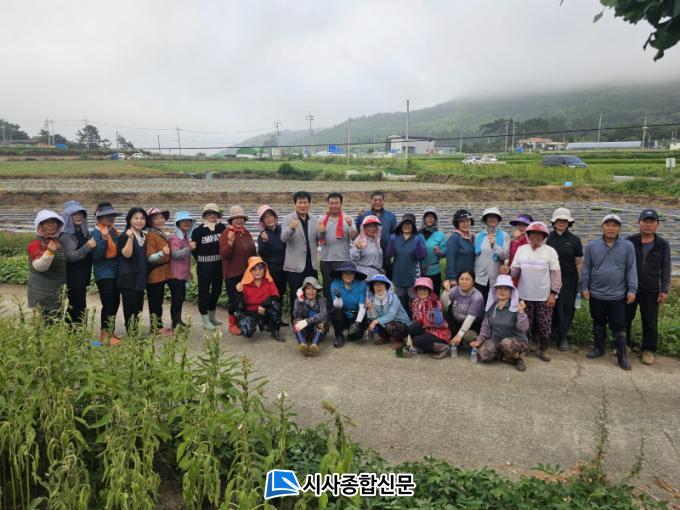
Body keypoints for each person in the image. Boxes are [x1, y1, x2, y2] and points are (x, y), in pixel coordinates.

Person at [581, 214, 637, 370]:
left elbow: (631, 269)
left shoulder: (627, 246)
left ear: (619, 228)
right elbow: (586, 269)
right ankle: (599, 348)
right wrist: (584, 287)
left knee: (619, 325)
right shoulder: (592, 246)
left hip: (618, 295)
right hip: (596, 293)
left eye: (615, 225)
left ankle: (622, 355)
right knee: (598, 321)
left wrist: (632, 289)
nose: (611, 228)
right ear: (602, 227)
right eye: (608, 225)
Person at [625, 209, 672, 365]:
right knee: (625, 317)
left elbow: (666, 268)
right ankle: (624, 345)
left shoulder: (662, 245)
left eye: (652, 222)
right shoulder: (630, 241)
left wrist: (664, 289)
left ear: (657, 224)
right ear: (639, 223)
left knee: (650, 321)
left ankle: (648, 350)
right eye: (645, 221)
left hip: (651, 289)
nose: (648, 225)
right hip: (630, 287)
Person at [511, 222, 561, 362]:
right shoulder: (521, 249)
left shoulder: (550, 251)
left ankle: (543, 349)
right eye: (533, 233)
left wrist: (553, 294)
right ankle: (525, 347)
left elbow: (556, 274)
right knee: (525, 324)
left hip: (543, 296)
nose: (536, 236)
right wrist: (508, 271)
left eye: (540, 234)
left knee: (544, 325)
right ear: (528, 235)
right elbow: (516, 270)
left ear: (544, 236)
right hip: (524, 295)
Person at [471, 275, 529, 372]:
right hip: (497, 341)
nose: (502, 291)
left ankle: (517, 358)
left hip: (516, 342)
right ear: (495, 290)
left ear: (510, 292)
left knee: (506, 343)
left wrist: (521, 313)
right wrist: (479, 340)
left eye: (506, 289)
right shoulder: (491, 306)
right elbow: (485, 327)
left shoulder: (516, 306)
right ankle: (504, 356)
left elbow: (523, 328)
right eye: (499, 288)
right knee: (483, 354)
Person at [546, 208, 583, 351]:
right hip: (549, 277)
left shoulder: (575, 240)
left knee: (566, 308)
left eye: (564, 221)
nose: (561, 223)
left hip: (568, 279)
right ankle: (548, 334)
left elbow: (578, 262)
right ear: (554, 222)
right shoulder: (547, 238)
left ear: (569, 223)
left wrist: (579, 281)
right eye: (559, 220)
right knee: (550, 306)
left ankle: (563, 337)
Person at [282, 191, 320, 319]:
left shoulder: (314, 219)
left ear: (309, 204)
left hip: (311, 265)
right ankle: (297, 322)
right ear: (295, 204)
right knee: (296, 294)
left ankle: (310, 321)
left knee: (312, 294)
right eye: (300, 202)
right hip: (295, 266)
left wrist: (322, 232)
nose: (302, 205)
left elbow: (318, 238)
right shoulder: (288, 219)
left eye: (305, 202)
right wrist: (291, 229)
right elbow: (283, 238)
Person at [220, 205, 257, 335]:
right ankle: (232, 323)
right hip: (232, 274)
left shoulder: (246, 233)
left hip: (246, 273)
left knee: (245, 299)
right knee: (234, 299)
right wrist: (230, 243)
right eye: (236, 218)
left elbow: (252, 251)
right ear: (231, 220)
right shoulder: (227, 233)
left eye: (241, 218)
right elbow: (224, 254)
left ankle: (243, 321)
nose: (239, 220)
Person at [91, 202, 122, 344]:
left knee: (115, 302)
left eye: (112, 215)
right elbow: (96, 256)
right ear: (99, 218)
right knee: (109, 303)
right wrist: (104, 240)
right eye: (106, 216)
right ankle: (105, 336)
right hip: (104, 274)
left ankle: (110, 333)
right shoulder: (96, 233)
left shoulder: (113, 231)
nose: (110, 218)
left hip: (115, 273)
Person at [191, 203, 226, 331]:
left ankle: (212, 316)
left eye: (214, 213)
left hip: (219, 266)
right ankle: (205, 319)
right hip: (204, 267)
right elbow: (194, 250)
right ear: (205, 215)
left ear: (218, 215)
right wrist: (203, 261)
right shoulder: (198, 231)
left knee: (216, 291)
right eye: (209, 213)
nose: (212, 216)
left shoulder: (222, 228)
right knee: (204, 292)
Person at [27, 210, 66, 321]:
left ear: (58, 225)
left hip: (56, 290)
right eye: (46, 222)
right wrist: (49, 252)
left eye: (53, 222)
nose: (51, 225)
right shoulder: (36, 243)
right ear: (41, 225)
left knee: (56, 320)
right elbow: (39, 266)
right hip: (42, 291)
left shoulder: (58, 240)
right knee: (47, 321)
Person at [61, 200, 96, 324]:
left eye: (80, 214)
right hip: (73, 276)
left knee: (78, 304)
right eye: (74, 214)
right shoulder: (66, 235)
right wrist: (87, 247)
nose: (78, 216)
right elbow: (70, 256)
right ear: (68, 217)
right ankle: (75, 331)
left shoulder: (82, 232)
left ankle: (74, 331)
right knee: (77, 305)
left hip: (82, 275)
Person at [235, 256, 285, 342]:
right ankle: (253, 322)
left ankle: (274, 331)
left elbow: (276, 296)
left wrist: (263, 305)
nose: (258, 272)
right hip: (250, 311)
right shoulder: (244, 284)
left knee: (276, 305)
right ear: (250, 271)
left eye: (260, 268)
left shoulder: (269, 280)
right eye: (254, 269)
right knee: (247, 332)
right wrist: (239, 293)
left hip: (264, 309)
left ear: (264, 269)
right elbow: (240, 306)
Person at [319, 192, 357, 300]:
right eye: (331, 203)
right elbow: (318, 238)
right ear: (328, 204)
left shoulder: (347, 219)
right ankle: (329, 309)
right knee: (327, 288)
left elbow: (354, 237)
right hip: (326, 260)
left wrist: (350, 225)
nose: (334, 205)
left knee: (343, 288)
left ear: (341, 204)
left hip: (342, 260)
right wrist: (320, 231)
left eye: (336, 203)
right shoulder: (322, 219)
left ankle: (342, 310)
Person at [385, 213, 426, 314]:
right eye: (404, 224)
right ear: (401, 225)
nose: (407, 226)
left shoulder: (418, 238)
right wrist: (391, 242)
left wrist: (418, 244)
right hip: (398, 276)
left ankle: (415, 321)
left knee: (414, 303)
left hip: (413, 277)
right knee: (401, 304)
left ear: (413, 226)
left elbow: (421, 256)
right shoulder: (395, 238)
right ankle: (404, 321)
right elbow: (389, 254)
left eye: (409, 224)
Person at [117, 207, 148, 334]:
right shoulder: (125, 235)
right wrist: (130, 238)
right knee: (130, 306)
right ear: (129, 220)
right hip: (128, 278)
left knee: (138, 306)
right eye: (136, 218)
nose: (139, 221)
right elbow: (126, 254)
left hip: (140, 277)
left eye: (142, 218)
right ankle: (132, 333)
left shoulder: (143, 236)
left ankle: (136, 331)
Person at [405, 277, 451, 359]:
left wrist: (435, 307)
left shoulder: (435, 302)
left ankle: (443, 347)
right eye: (419, 289)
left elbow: (439, 323)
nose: (422, 292)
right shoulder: (415, 302)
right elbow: (415, 320)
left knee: (417, 340)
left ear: (429, 290)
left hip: (437, 332)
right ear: (416, 290)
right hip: (425, 330)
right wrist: (409, 337)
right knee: (411, 329)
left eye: (425, 289)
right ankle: (423, 347)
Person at [355, 191, 398, 278]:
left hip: (386, 252)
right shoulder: (364, 215)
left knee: (388, 275)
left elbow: (395, 233)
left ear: (383, 201)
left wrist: (393, 248)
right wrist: (358, 217)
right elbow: (359, 230)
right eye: (375, 200)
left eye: (380, 200)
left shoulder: (391, 216)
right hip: (369, 252)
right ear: (370, 201)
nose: (377, 202)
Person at [441, 270, 485, 352]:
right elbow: (444, 307)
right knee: (443, 333)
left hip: (473, 325)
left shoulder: (477, 296)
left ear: (473, 282)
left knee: (469, 336)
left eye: (467, 279)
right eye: (461, 279)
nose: (464, 282)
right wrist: (446, 291)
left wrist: (459, 335)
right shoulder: (454, 290)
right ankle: (458, 342)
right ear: (458, 281)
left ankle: (472, 345)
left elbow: (470, 319)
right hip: (456, 322)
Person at [474, 207, 510, 303]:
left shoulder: (505, 236)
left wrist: (494, 245)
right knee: (479, 303)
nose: (492, 219)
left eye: (495, 217)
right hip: (479, 278)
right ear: (485, 220)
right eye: (489, 217)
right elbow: (475, 256)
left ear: (498, 220)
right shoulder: (478, 236)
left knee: (494, 304)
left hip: (496, 278)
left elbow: (505, 255)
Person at [365, 274, 410, 350]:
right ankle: (386, 337)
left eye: (381, 284)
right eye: (375, 284)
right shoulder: (372, 298)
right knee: (375, 323)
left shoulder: (393, 297)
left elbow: (391, 315)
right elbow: (373, 318)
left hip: (402, 325)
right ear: (372, 287)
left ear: (386, 286)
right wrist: (370, 308)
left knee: (387, 323)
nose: (378, 287)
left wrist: (375, 321)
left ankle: (399, 340)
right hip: (387, 322)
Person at [145, 207, 172, 335]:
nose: (160, 220)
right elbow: (150, 257)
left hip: (164, 271)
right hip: (155, 272)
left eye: (161, 217)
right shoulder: (151, 235)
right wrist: (162, 253)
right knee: (155, 301)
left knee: (158, 300)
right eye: (156, 219)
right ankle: (156, 327)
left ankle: (157, 326)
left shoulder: (161, 233)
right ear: (150, 222)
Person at [329, 261, 367, 348]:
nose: (348, 275)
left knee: (357, 335)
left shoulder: (361, 284)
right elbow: (338, 306)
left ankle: (351, 333)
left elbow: (362, 306)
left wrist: (357, 323)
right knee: (336, 311)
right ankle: (339, 336)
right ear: (341, 274)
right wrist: (338, 297)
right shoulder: (335, 284)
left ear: (354, 274)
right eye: (345, 272)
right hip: (342, 313)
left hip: (355, 314)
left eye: (351, 273)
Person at [168, 210, 194, 330]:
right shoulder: (175, 237)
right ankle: (175, 323)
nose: (186, 223)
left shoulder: (185, 236)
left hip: (183, 274)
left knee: (180, 298)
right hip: (175, 274)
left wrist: (189, 273)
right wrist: (189, 248)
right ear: (178, 223)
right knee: (177, 299)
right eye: (183, 221)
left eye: (188, 221)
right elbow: (175, 255)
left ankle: (178, 320)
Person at [256, 204, 287, 302]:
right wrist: (265, 242)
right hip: (272, 272)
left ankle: (278, 312)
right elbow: (262, 254)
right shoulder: (263, 235)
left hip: (284, 270)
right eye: (265, 217)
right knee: (272, 297)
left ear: (275, 217)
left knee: (281, 294)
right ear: (263, 221)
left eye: (270, 216)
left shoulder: (282, 229)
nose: (269, 219)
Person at [293, 276, 327, 356]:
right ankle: (302, 343)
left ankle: (315, 344)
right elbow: (296, 315)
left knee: (321, 322)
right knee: (296, 321)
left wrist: (307, 321)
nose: (311, 291)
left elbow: (323, 314)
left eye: (314, 288)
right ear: (304, 290)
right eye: (308, 288)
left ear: (317, 290)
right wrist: (300, 302)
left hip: (317, 329)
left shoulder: (321, 299)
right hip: (304, 330)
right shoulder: (298, 300)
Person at [419, 206, 447, 294]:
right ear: (424, 219)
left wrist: (440, 252)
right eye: (427, 217)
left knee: (434, 295)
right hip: (420, 271)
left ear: (435, 219)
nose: (429, 219)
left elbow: (445, 251)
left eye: (432, 217)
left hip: (434, 271)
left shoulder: (440, 234)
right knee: (422, 294)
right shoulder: (418, 234)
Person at [445, 209, 475, 285]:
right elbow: (450, 259)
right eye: (462, 221)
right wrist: (452, 278)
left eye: (467, 221)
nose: (465, 224)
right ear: (457, 223)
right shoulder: (454, 238)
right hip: (458, 279)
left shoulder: (471, 237)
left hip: (469, 277)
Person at [350, 215, 383, 279]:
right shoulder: (360, 240)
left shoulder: (376, 241)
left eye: (374, 226)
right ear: (364, 227)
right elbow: (351, 258)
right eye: (369, 226)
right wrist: (356, 248)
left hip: (375, 275)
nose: (372, 229)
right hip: (363, 275)